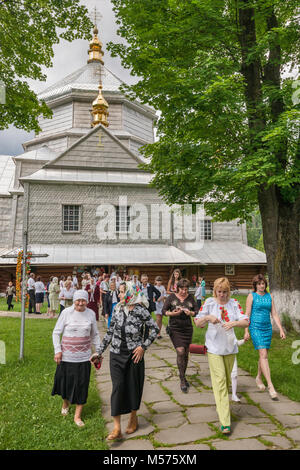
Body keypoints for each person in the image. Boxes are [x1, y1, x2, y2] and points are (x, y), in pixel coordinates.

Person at [90, 282, 159, 441]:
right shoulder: (117, 308)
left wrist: (143, 346)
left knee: (133, 386)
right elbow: (110, 332)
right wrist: (99, 351)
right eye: (120, 292)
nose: (119, 295)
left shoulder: (141, 310)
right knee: (118, 387)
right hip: (116, 353)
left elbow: (154, 329)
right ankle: (116, 428)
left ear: (130, 293)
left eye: (122, 292)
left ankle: (133, 417)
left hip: (134, 355)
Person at [194, 277, 249, 435]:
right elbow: (197, 322)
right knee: (220, 382)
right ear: (215, 291)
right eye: (219, 292)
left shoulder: (234, 303)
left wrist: (234, 323)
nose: (222, 295)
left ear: (229, 291)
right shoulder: (209, 303)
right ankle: (225, 422)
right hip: (213, 348)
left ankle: (222, 406)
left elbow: (246, 321)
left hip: (230, 348)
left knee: (225, 383)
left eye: (225, 292)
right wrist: (207, 318)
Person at [52, 290, 101, 427]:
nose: (80, 303)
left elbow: (95, 335)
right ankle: (66, 403)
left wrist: (98, 352)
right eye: (77, 300)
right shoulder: (66, 313)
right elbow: (56, 333)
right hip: (67, 357)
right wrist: (58, 351)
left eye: (83, 300)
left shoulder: (91, 314)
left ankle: (77, 416)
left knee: (82, 385)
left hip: (84, 358)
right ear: (73, 300)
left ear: (87, 301)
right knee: (66, 384)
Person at [245, 274, 286, 400]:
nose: (261, 286)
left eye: (263, 283)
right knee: (263, 354)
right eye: (259, 284)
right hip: (255, 327)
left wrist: (280, 329)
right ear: (255, 285)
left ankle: (258, 377)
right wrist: (246, 331)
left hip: (267, 328)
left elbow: (274, 313)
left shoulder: (270, 296)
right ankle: (270, 386)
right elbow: (247, 314)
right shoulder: (251, 296)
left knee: (263, 356)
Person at [162, 278, 197, 393]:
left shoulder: (191, 298)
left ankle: (183, 375)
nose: (184, 291)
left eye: (186, 289)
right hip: (175, 328)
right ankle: (182, 379)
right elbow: (164, 310)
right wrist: (172, 313)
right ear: (178, 288)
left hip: (187, 329)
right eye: (182, 289)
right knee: (180, 351)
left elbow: (197, 311)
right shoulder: (171, 297)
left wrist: (190, 313)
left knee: (186, 353)